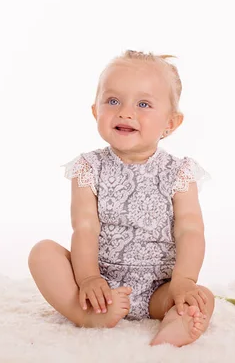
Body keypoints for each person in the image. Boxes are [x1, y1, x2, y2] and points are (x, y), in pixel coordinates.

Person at [28, 50, 214, 347]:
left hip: (159, 288)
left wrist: (183, 281)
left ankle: (173, 324)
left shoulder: (179, 172)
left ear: (171, 123)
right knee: (42, 253)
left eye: (143, 104)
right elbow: (85, 227)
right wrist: (88, 278)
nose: (126, 112)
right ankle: (87, 314)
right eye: (113, 101)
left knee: (201, 297)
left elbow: (190, 230)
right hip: (100, 283)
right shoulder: (88, 167)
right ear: (95, 112)